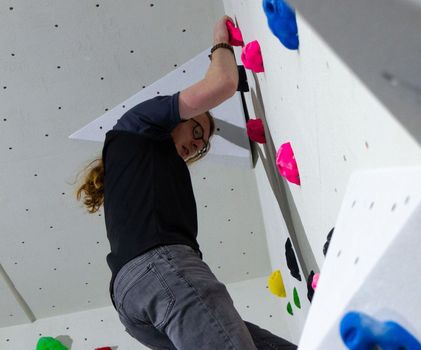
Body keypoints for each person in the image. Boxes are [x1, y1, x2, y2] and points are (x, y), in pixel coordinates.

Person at [76, 15, 296, 350]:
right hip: (159, 271)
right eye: (197, 130)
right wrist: (221, 41)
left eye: (203, 144)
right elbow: (222, 83)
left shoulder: (140, 168)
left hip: (135, 302)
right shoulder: (139, 122)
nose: (198, 143)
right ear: (172, 119)